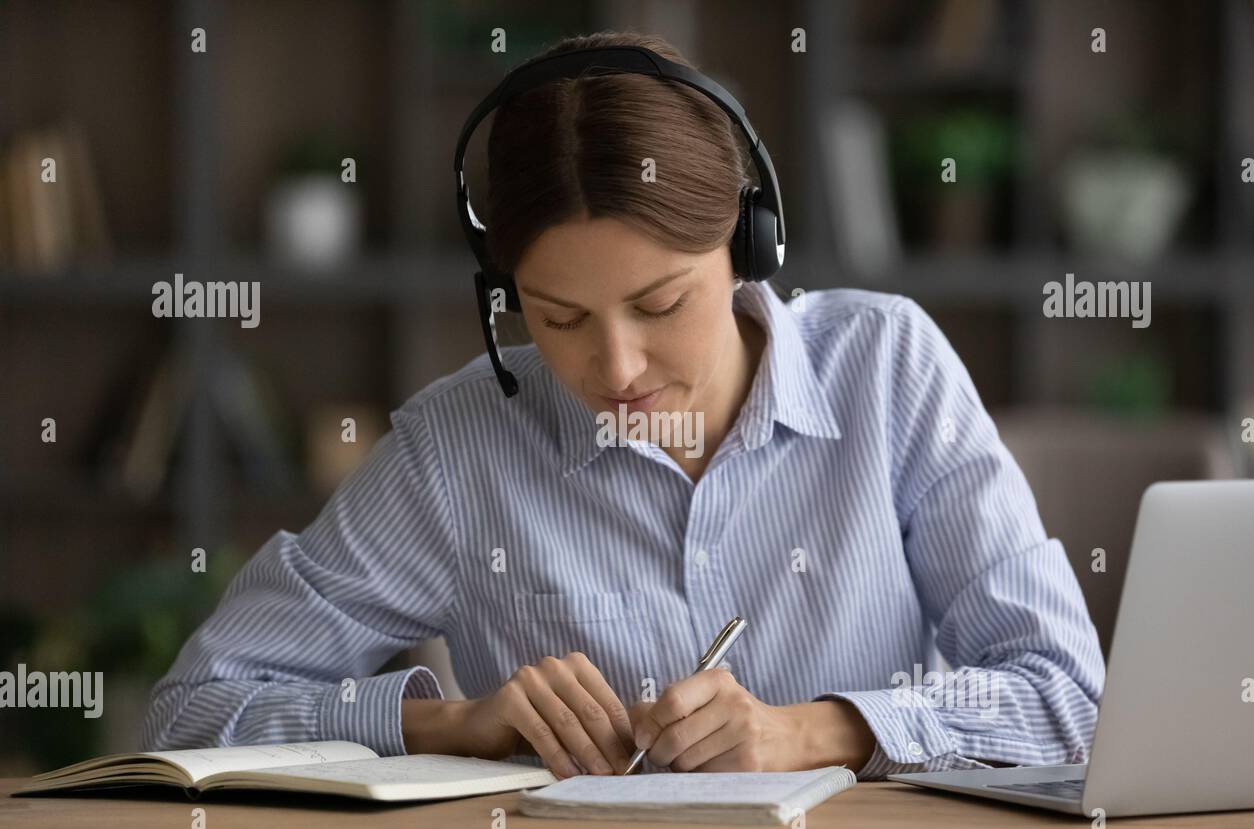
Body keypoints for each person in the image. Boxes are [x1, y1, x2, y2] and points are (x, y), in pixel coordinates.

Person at [142, 31, 1104, 781]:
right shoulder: (461, 446)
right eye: (558, 318)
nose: (616, 366)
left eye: (660, 304)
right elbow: (194, 706)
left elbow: (1068, 696)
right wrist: (448, 724)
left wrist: (814, 732)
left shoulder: (887, 366)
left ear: (748, 243)